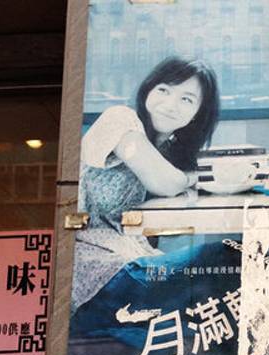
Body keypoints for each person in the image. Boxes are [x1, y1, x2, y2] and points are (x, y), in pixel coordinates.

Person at [73, 57, 220, 312]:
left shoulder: (166, 151)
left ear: (198, 113)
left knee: (219, 265)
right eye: (164, 90)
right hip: (89, 261)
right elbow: (165, 182)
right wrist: (190, 178)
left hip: (126, 256)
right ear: (148, 89)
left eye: (186, 99)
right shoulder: (119, 120)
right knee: (213, 271)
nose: (170, 104)